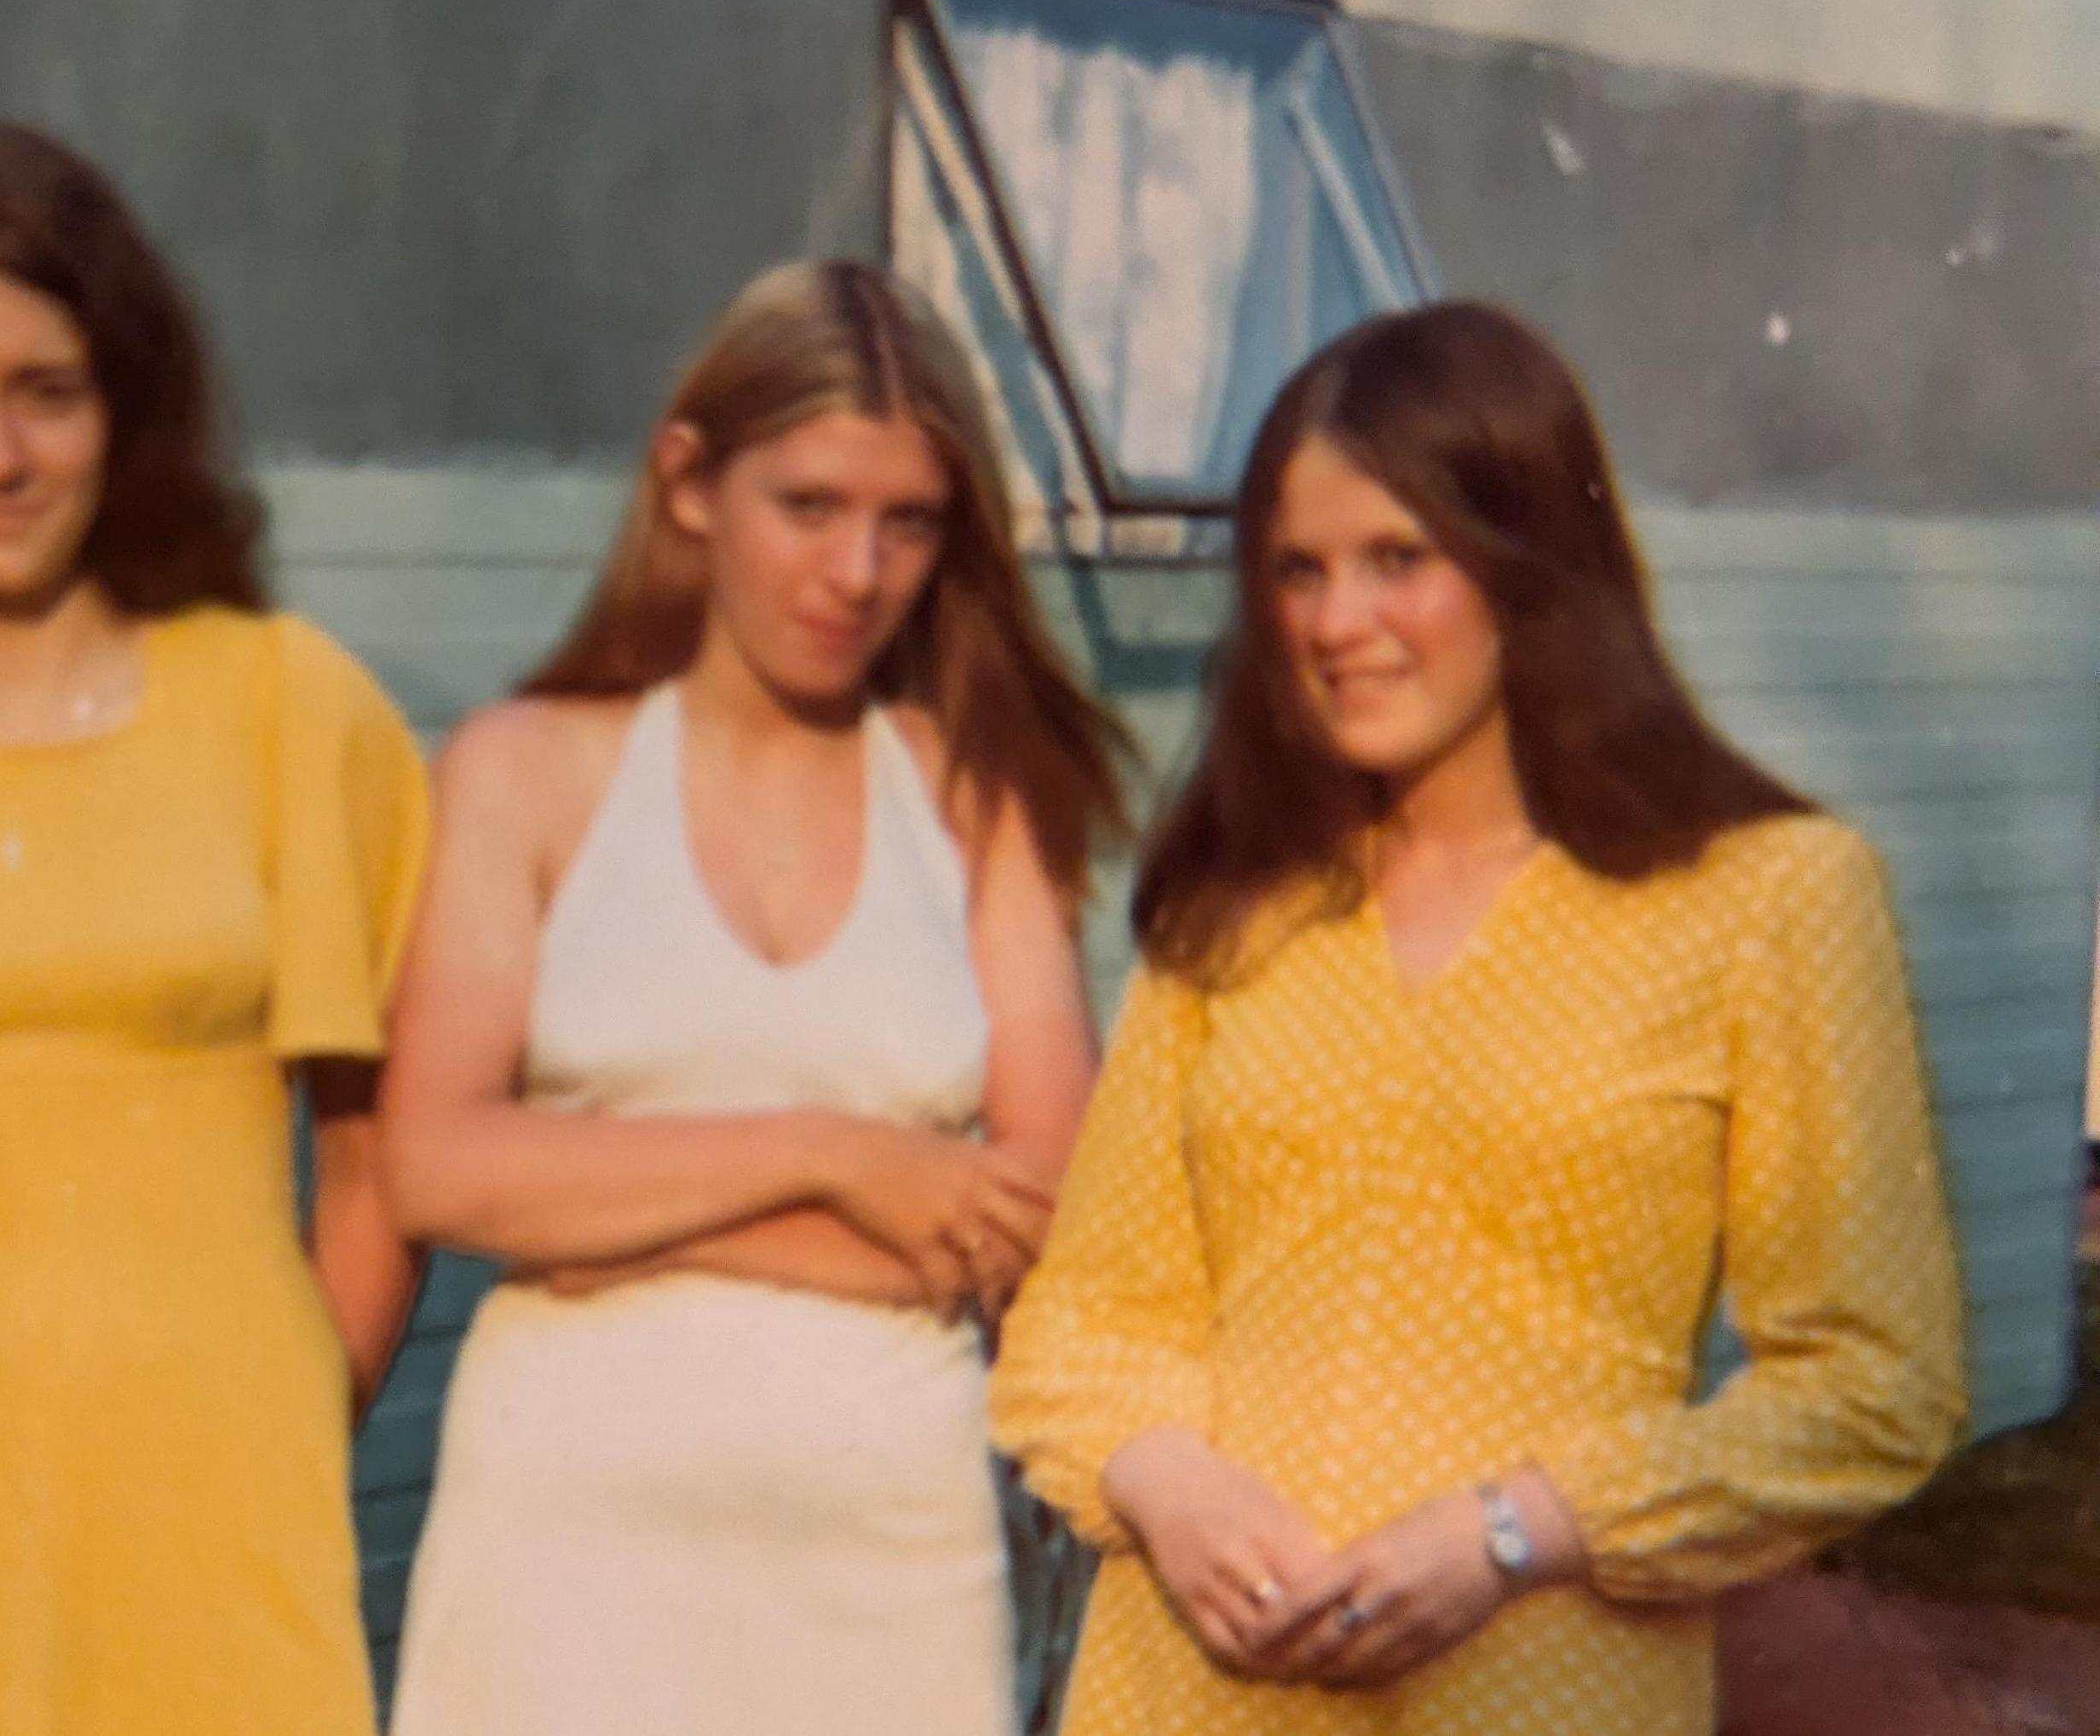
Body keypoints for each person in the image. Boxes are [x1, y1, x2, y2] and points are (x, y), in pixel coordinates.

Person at [989, 300, 1968, 1734]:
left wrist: (1512, 1534)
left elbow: (1878, 1384)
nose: (1337, 624)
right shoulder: (1237, 907)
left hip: (1536, 1686)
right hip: (1195, 1688)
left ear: (1531, 568)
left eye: (1401, 560)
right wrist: (1169, 1485)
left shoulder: (1766, 895)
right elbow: (1080, 1325)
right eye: (1298, 572)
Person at [0, 118, 429, 1736]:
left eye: (46, 389)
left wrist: (281, 1425)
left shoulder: (284, 705)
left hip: (213, 1524)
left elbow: (384, 1166)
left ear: (124, 408)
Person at [378, 258, 1131, 1735]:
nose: (857, 572)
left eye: (906, 522)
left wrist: (608, 1228)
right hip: (564, 1549)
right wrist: (843, 1161)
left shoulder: (975, 795)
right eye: (810, 506)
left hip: (885, 1550)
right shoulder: (525, 770)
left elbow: (1044, 1208)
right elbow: (438, 1166)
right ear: (689, 486)